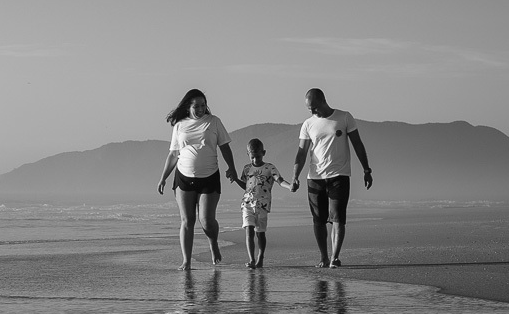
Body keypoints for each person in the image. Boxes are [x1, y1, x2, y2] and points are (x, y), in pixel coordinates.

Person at [290, 88, 373, 268]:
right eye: (308, 109)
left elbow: (357, 144)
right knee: (318, 220)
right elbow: (302, 152)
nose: (312, 111)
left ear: (322, 101)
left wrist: (366, 169)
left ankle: (335, 257)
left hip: (339, 176)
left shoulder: (344, 117)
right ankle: (323, 257)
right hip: (315, 177)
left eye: (313, 107)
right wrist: (295, 176)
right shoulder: (308, 124)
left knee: (338, 218)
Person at [158, 89, 239, 270]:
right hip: (183, 177)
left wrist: (232, 168)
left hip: (209, 177)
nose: (201, 109)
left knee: (207, 220)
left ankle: (213, 243)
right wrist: (163, 178)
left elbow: (225, 147)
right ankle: (186, 261)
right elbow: (173, 154)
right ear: (188, 106)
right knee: (187, 221)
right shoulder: (179, 125)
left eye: (203, 105)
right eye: (196, 106)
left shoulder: (214, 122)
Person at [232, 138, 288, 269]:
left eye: (257, 156)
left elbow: (279, 180)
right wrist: (234, 178)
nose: (255, 160)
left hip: (262, 204)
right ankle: (251, 259)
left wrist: (290, 186)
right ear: (248, 155)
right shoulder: (247, 169)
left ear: (264, 152)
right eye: (252, 157)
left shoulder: (269, 167)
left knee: (260, 233)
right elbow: (245, 185)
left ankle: (260, 257)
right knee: (249, 230)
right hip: (247, 203)